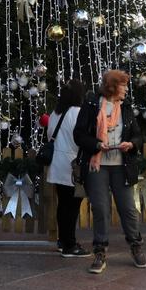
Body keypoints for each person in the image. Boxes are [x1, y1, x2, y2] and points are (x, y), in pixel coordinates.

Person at [74, 69, 145, 274]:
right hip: (98, 165)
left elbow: (139, 136)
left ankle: (136, 246)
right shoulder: (91, 104)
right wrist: (96, 144)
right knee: (101, 209)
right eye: (123, 85)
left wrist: (131, 144)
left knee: (128, 209)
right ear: (112, 86)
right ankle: (100, 252)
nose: (126, 89)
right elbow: (78, 134)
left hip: (121, 166)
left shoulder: (127, 107)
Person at [47, 79, 88, 257]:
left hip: (57, 164)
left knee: (63, 204)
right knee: (72, 206)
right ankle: (70, 245)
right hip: (73, 166)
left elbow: (50, 135)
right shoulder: (78, 112)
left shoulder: (55, 113)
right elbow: (81, 138)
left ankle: (63, 241)